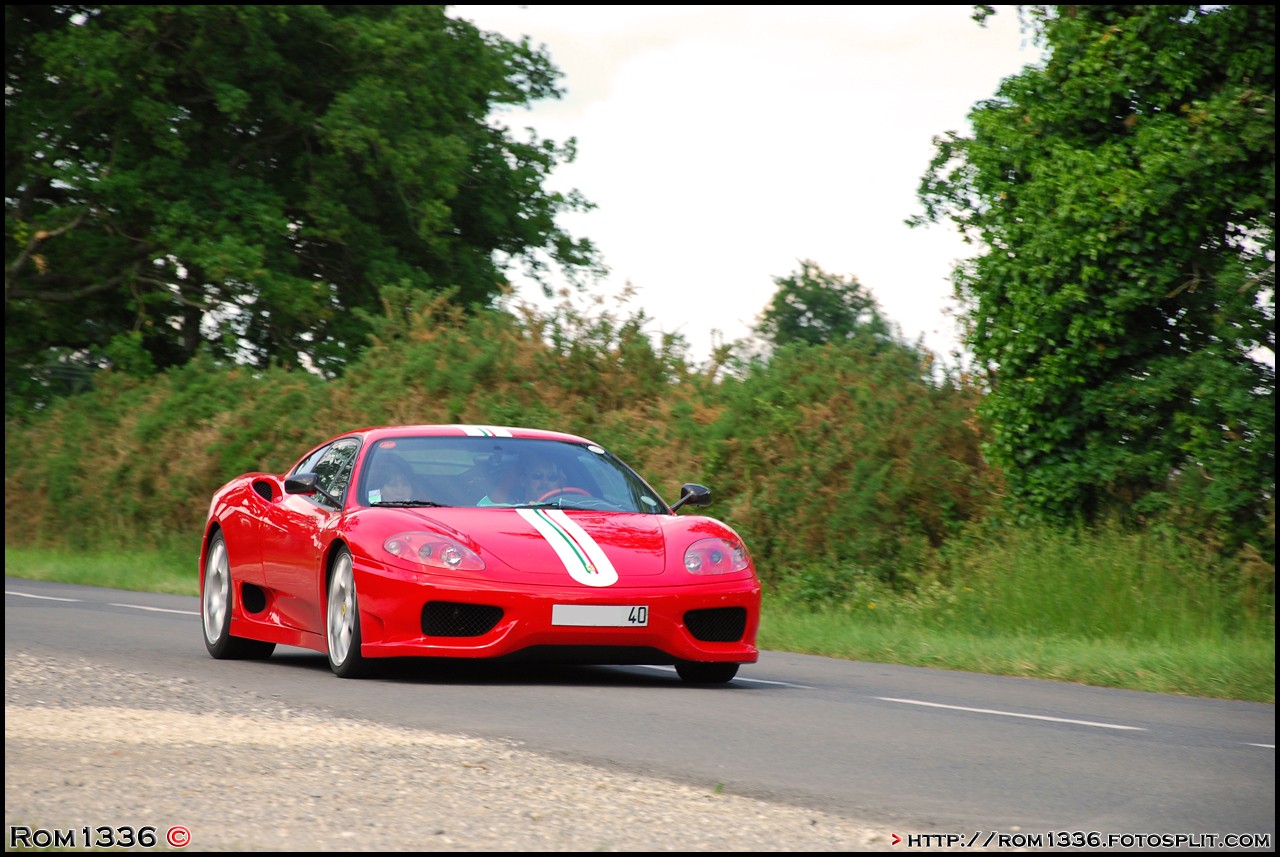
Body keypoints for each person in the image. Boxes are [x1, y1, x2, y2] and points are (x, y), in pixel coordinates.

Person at [476, 453, 565, 506]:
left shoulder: (569, 506)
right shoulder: (512, 508)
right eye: (537, 476)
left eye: (552, 477)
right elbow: (485, 507)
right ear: (524, 480)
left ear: (559, 482)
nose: (545, 482)